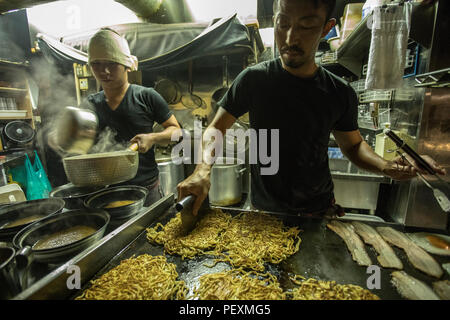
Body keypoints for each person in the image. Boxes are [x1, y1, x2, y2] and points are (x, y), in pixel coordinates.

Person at [177, 0, 446, 217]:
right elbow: (217, 128)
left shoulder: (339, 92)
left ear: (326, 27)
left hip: (318, 212)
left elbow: (353, 147)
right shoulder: (253, 80)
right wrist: (202, 170)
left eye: (306, 26)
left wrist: (386, 166)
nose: (290, 37)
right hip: (264, 214)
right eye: (283, 24)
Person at [85, 28, 181, 206]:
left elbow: (176, 131)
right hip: (105, 192)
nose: (104, 71)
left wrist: (152, 137)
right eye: (97, 64)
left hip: (146, 190)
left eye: (112, 64)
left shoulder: (146, 96)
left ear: (127, 65)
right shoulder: (89, 104)